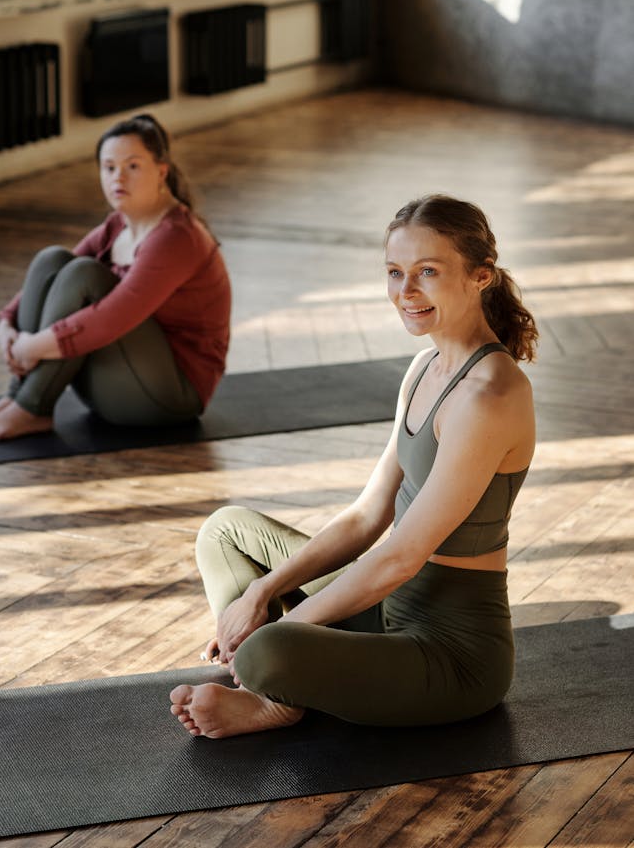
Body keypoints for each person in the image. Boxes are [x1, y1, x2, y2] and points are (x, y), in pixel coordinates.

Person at [170, 193, 538, 738]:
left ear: (481, 276)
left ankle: (274, 697)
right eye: (395, 272)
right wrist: (259, 594)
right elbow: (367, 517)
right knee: (225, 533)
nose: (406, 292)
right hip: (383, 608)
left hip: (449, 652)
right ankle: (282, 665)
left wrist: (277, 627)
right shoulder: (424, 367)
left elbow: (400, 558)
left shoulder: (491, 395)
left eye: (428, 272)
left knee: (268, 648)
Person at [0, 114, 231, 442]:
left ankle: (32, 406)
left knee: (84, 274)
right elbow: (54, 273)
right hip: (120, 382)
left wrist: (31, 346)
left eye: (132, 166)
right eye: (109, 167)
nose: (119, 178)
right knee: (53, 259)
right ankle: (21, 395)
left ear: (161, 171)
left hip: (167, 399)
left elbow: (113, 317)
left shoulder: (176, 237)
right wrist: (7, 324)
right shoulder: (118, 224)